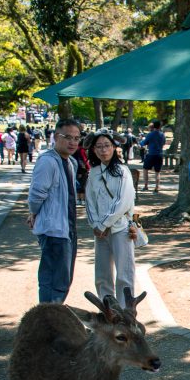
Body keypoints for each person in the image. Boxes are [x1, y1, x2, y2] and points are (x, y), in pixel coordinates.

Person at [27, 118, 81, 303]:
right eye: (68, 137)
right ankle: (47, 314)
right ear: (57, 137)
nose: (73, 142)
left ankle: (52, 312)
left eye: (76, 138)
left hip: (68, 228)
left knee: (64, 279)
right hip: (53, 230)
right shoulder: (48, 161)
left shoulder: (71, 162)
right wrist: (34, 212)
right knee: (52, 279)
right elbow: (36, 194)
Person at [84, 130, 137, 306]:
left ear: (114, 147)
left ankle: (125, 310)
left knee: (124, 273)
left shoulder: (123, 171)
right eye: (98, 146)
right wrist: (95, 224)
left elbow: (123, 201)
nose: (103, 150)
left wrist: (104, 223)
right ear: (93, 150)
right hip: (100, 232)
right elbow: (90, 201)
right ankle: (107, 308)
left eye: (107, 145)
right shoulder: (93, 173)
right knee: (102, 274)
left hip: (120, 228)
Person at [140, 120, 166, 192]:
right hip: (159, 154)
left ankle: (146, 186)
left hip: (151, 154)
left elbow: (144, 143)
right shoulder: (162, 135)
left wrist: (140, 143)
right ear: (160, 126)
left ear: (153, 126)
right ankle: (157, 187)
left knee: (145, 169)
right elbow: (164, 143)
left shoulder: (150, 134)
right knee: (157, 172)